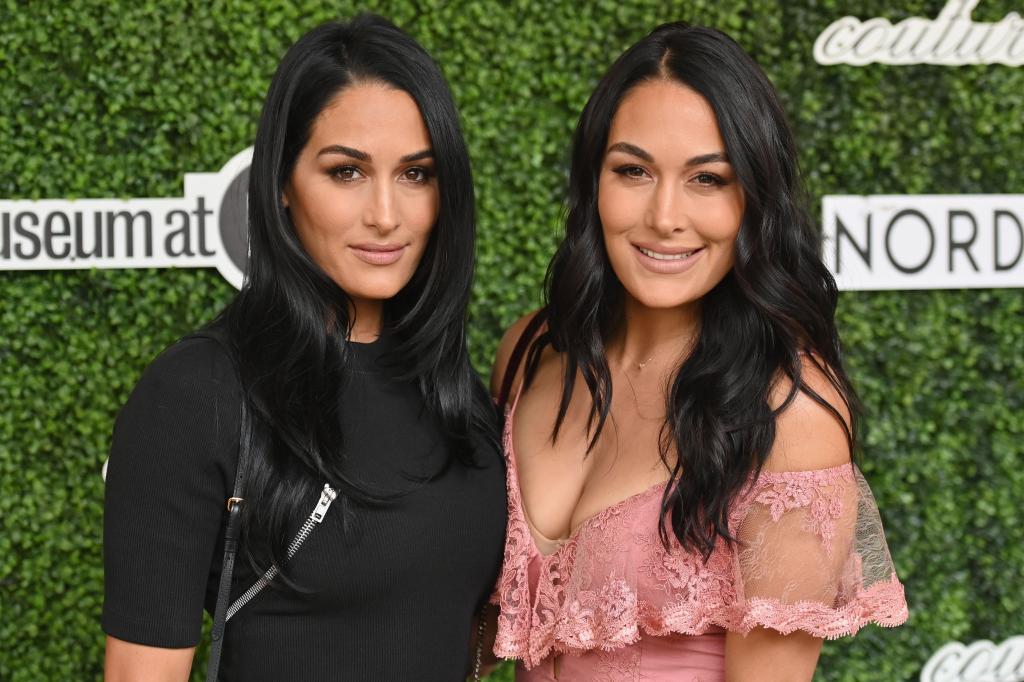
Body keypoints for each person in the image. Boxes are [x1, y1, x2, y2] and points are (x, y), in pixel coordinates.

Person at [489, 22, 908, 681]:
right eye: (633, 171)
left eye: (707, 180)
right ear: (592, 182)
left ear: (754, 199)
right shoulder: (532, 351)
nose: (664, 215)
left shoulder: (790, 412)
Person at [103, 15, 505, 682]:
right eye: (346, 172)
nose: (385, 213)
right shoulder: (197, 393)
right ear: (283, 184)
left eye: (416, 174)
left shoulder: (455, 390)